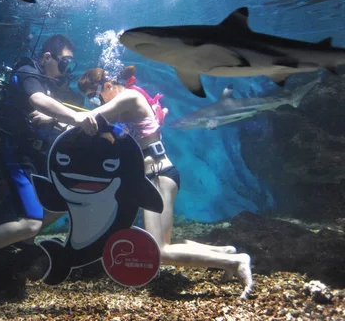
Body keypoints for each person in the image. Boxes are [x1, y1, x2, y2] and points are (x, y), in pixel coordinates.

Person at [55, 65, 253, 298]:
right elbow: (96, 133)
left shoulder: (129, 97)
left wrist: (51, 115)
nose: (93, 102)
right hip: (154, 177)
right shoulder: (122, 110)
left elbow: (92, 120)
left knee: (160, 251)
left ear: (107, 86)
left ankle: (236, 262)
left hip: (158, 176)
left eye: (93, 96)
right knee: (165, 243)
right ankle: (224, 252)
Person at [0, 34, 97, 294]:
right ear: (47, 57)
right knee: (32, 220)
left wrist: (59, 121)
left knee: (63, 203)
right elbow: (37, 101)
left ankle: (23, 242)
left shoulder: (48, 83)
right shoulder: (27, 71)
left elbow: (48, 115)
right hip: (19, 156)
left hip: (39, 157)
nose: (67, 69)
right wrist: (76, 118)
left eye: (70, 64)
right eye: (64, 62)